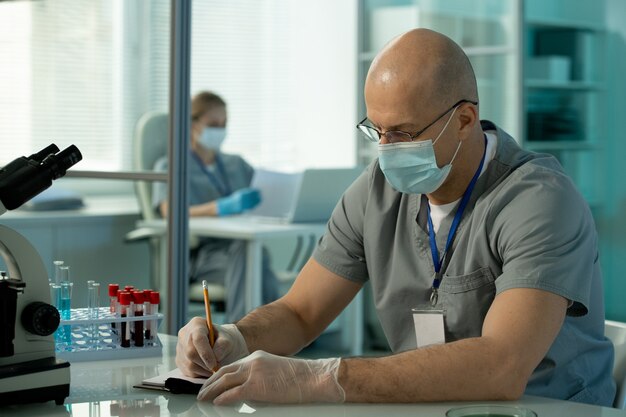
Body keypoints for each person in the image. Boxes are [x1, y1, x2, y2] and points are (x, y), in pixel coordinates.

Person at [175, 30, 615, 406]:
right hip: (428, 407)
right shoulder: (376, 191)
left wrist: (320, 377)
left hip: (545, 409)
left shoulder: (538, 200)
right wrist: (236, 337)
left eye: (403, 133)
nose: (386, 149)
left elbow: (502, 366)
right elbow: (301, 311)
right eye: (377, 130)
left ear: (464, 120)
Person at [153, 91, 278, 323]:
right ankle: (241, 336)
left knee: (256, 255)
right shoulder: (170, 165)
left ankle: (269, 335)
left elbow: (268, 195)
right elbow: (168, 211)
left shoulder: (236, 164)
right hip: (201, 255)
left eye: (224, 124)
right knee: (252, 259)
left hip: (240, 246)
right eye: (213, 124)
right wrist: (219, 207)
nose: (219, 130)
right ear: (191, 123)